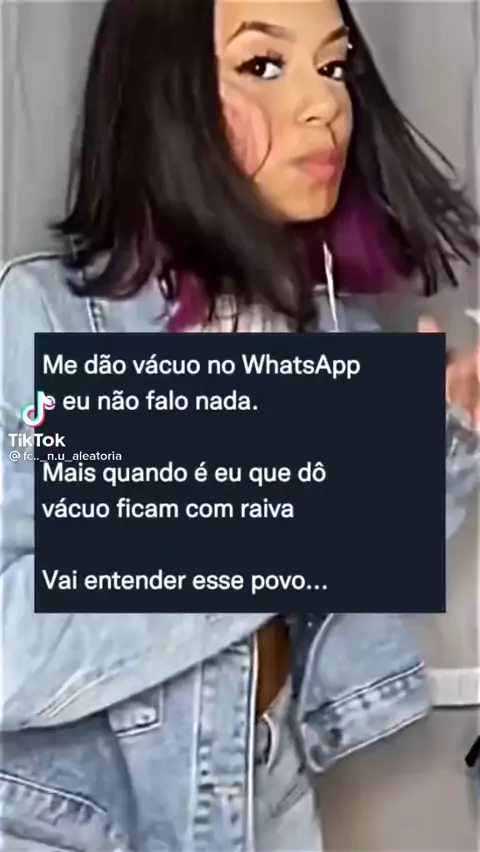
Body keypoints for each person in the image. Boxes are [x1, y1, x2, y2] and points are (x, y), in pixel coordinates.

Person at [1, 0, 479, 850]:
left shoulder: (338, 335)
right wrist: (293, 512)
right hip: (67, 821)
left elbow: (356, 575)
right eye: (264, 65)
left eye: (334, 66)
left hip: (265, 799)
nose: (325, 104)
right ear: (163, 92)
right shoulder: (42, 323)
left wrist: (448, 439)